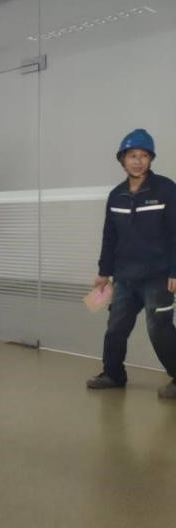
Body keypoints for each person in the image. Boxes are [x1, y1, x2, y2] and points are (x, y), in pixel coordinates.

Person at [86, 129, 176, 398]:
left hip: (157, 276)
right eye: (133, 155)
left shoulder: (166, 189)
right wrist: (104, 272)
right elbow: (109, 236)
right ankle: (113, 374)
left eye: (144, 155)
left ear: (151, 159)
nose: (138, 161)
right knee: (115, 327)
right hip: (124, 277)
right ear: (122, 159)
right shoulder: (117, 195)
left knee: (159, 329)